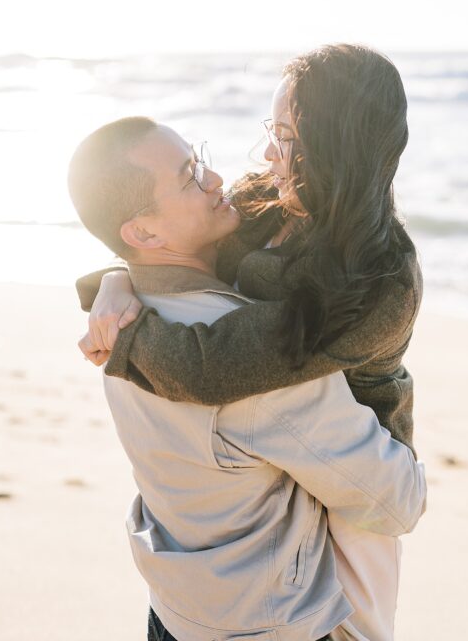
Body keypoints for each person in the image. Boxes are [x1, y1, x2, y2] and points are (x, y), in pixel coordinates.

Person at [77, 45, 421, 641]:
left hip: (359, 472)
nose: (266, 153)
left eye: (286, 137)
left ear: (336, 149)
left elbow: (213, 366)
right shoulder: (270, 196)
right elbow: (164, 234)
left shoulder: (377, 280)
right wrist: (114, 277)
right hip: (262, 491)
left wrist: (125, 338)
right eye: (273, 129)